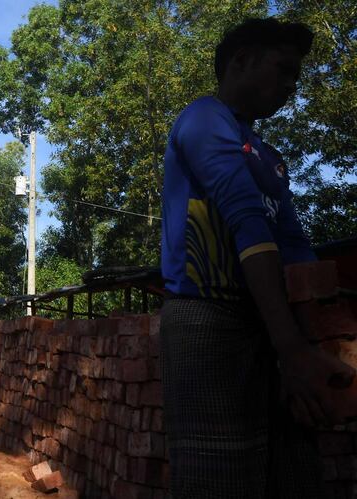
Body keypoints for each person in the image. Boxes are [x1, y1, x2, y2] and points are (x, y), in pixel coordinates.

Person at [160, 18, 355, 498]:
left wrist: (304, 346)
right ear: (241, 61)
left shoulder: (269, 157)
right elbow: (247, 221)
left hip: (269, 324)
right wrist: (292, 350)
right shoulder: (205, 118)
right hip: (207, 319)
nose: (291, 85)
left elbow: (295, 248)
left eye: (296, 77)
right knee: (218, 475)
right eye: (283, 69)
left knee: (291, 469)